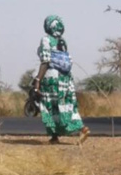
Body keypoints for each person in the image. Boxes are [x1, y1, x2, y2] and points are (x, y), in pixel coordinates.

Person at [34, 15, 89, 144]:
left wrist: (37, 80)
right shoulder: (62, 42)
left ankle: (54, 135)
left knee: (50, 106)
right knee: (66, 105)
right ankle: (81, 128)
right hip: (66, 78)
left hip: (52, 78)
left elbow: (46, 61)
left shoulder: (46, 40)